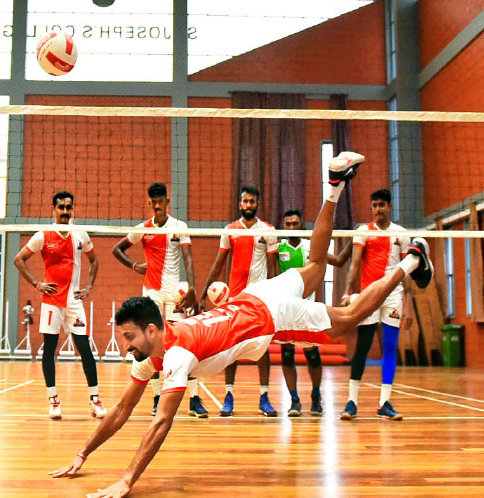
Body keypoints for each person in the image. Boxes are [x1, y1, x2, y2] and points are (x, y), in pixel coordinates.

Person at [50, 151, 434, 498]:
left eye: (129, 337)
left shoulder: (177, 356)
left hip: (267, 315)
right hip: (253, 296)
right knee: (317, 267)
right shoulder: (151, 354)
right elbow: (121, 410)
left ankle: (412, 260)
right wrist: (82, 453)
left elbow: (161, 424)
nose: (126, 346)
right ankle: (334, 185)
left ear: (152, 331)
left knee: (349, 318)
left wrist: (127, 480)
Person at [112, 182, 207, 418]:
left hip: (175, 294)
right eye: (153, 201)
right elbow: (117, 249)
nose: (157, 205)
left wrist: (192, 288)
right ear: (150, 203)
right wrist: (134, 265)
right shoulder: (143, 228)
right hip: (151, 293)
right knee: (150, 342)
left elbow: (188, 258)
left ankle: (194, 399)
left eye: (160, 201)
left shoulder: (179, 227)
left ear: (167, 201)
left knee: (184, 343)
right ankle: (156, 397)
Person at [14, 191, 106, 419]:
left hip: (74, 302)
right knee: (49, 350)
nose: (65, 211)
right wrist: (37, 284)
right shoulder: (43, 235)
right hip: (51, 302)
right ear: (53, 209)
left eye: (68, 207)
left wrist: (88, 287)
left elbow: (94, 261)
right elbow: (19, 259)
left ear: (72, 209)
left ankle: (95, 399)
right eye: (61, 207)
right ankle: (53, 399)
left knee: (84, 349)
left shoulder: (80, 234)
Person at [198, 185, 278, 417]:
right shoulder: (230, 230)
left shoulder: (268, 230)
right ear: (240, 203)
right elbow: (219, 263)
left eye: (252, 201)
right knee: (231, 348)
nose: (249, 205)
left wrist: (275, 296)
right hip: (234, 298)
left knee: (262, 347)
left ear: (257, 204)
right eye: (245, 201)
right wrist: (203, 294)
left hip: (260, 298)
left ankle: (264, 397)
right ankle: (228, 396)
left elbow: (272, 268)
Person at [339, 188, 413, 421]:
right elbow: (354, 264)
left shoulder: (401, 234)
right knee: (362, 346)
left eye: (381, 205)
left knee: (390, 346)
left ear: (390, 206)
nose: (378, 209)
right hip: (369, 295)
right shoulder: (363, 231)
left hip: (393, 295)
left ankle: (384, 403)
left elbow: (407, 270)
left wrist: (408, 304)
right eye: (374, 205)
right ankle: (351, 402)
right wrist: (347, 291)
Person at [277, 209, 350, 416]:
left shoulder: (311, 247)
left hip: (307, 311)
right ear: (284, 227)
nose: (292, 227)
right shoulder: (278, 248)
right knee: (287, 357)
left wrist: (354, 239)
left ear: (302, 225)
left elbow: (338, 261)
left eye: (295, 224)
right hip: (286, 311)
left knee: (313, 357)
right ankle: (294, 401)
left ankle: (316, 396)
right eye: (288, 224)